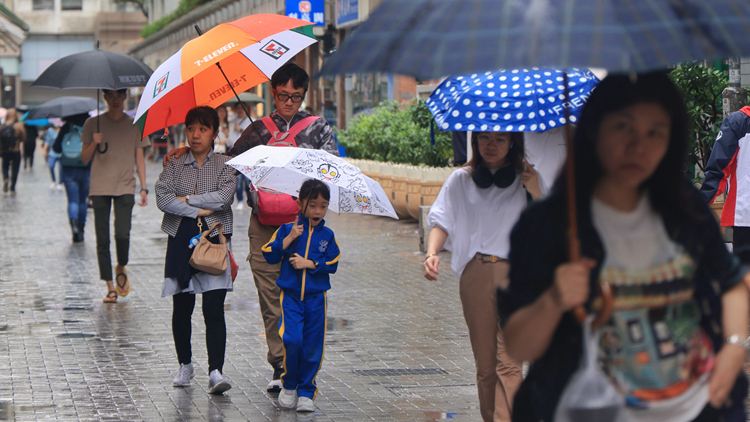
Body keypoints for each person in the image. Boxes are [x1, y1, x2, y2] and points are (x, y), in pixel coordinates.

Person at [500, 73, 750, 422]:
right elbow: (518, 344)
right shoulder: (548, 223)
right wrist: (555, 298)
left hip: (696, 407)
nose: (639, 146)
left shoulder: (685, 208)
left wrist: (735, 348)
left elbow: (732, 284)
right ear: (595, 131)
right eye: (624, 128)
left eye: (655, 132)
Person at [166, 63, 340, 391]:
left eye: (296, 97)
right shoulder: (257, 129)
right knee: (270, 297)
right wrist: (189, 152)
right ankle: (281, 366)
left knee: (298, 296)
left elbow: (331, 170)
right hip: (263, 226)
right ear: (273, 93)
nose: (289, 102)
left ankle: (296, 363)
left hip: (302, 227)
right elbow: (227, 166)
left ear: (304, 96)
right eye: (283, 95)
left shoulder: (317, 128)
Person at [423, 131, 544, 422]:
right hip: (475, 275)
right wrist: (431, 253)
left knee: (510, 363)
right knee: (486, 367)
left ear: (513, 142)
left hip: (515, 275)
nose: (491, 145)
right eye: (484, 138)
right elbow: (442, 219)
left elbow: (549, 221)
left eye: (500, 139)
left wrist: (536, 189)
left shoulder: (526, 179)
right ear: (474, 141)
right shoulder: (460, 181)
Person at [155, 106, 238, 395]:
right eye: (191, 128)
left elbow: (225, 197)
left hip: (214, 239)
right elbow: (163, 197)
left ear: (215, 133)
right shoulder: (175, 164)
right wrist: (197, 210)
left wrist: (188, 198)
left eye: (203, 129)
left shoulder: (226, 164)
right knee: (182, 306)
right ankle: (185, 364)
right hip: (180, 239)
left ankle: (216, 370)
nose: (196, 134)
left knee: (214, 307)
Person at [262, 179, 340, 412]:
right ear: (300, 203)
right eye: (313, 204)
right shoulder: (288, 229)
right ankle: (289, 385)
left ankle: (307, 391)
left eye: (323, 205)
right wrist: (288, 239)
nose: (318, 211)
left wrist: (310, 263)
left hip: (317, 299)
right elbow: (269, 254)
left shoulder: (327, 235)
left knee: (313, 345)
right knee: (292, 339)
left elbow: (333, 261)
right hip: (291, 297)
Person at [81, 89, 150, 303]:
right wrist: (94, 142)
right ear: (104, 98)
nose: (116, 99)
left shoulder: (136, 124)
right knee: (102, 238)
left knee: (122, 234)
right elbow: (84, 158)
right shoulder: (93, 124)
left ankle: (121, 265)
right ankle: (110, 286)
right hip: (100, 186)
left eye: (120, 95)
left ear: (126, 96)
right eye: (110, 95)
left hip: (125, 185)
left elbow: (140, 157)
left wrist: (144, 187)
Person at [700, 106, 750, 254]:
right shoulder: (740, 122)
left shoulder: (738, 122)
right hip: (746, 216)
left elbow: (718, 168)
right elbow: (718, 167)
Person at [52, 113, 91, 243]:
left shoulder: (66, 127)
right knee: (82, 201)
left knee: (73, 200)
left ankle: (74, 227)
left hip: (68, 169)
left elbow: (56, 148)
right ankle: (81, 229)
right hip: (85, 168)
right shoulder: (89, 126)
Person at [1, 108, 26, 196]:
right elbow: (23, 138)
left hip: (4, 150)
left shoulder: (2, 126)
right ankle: (12, 188)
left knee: (5, 167)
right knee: (15, 169)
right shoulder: (18, 126)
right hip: (15, 150)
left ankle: (6, 178)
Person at [43, 125, 63, 190]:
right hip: (53, 151)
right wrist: (45, 150)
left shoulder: (64, 129)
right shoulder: (51, 131)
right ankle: (53, 181)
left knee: (61, 168)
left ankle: (60, 182)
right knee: (51, 166)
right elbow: (47, 141)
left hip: (62, 152)